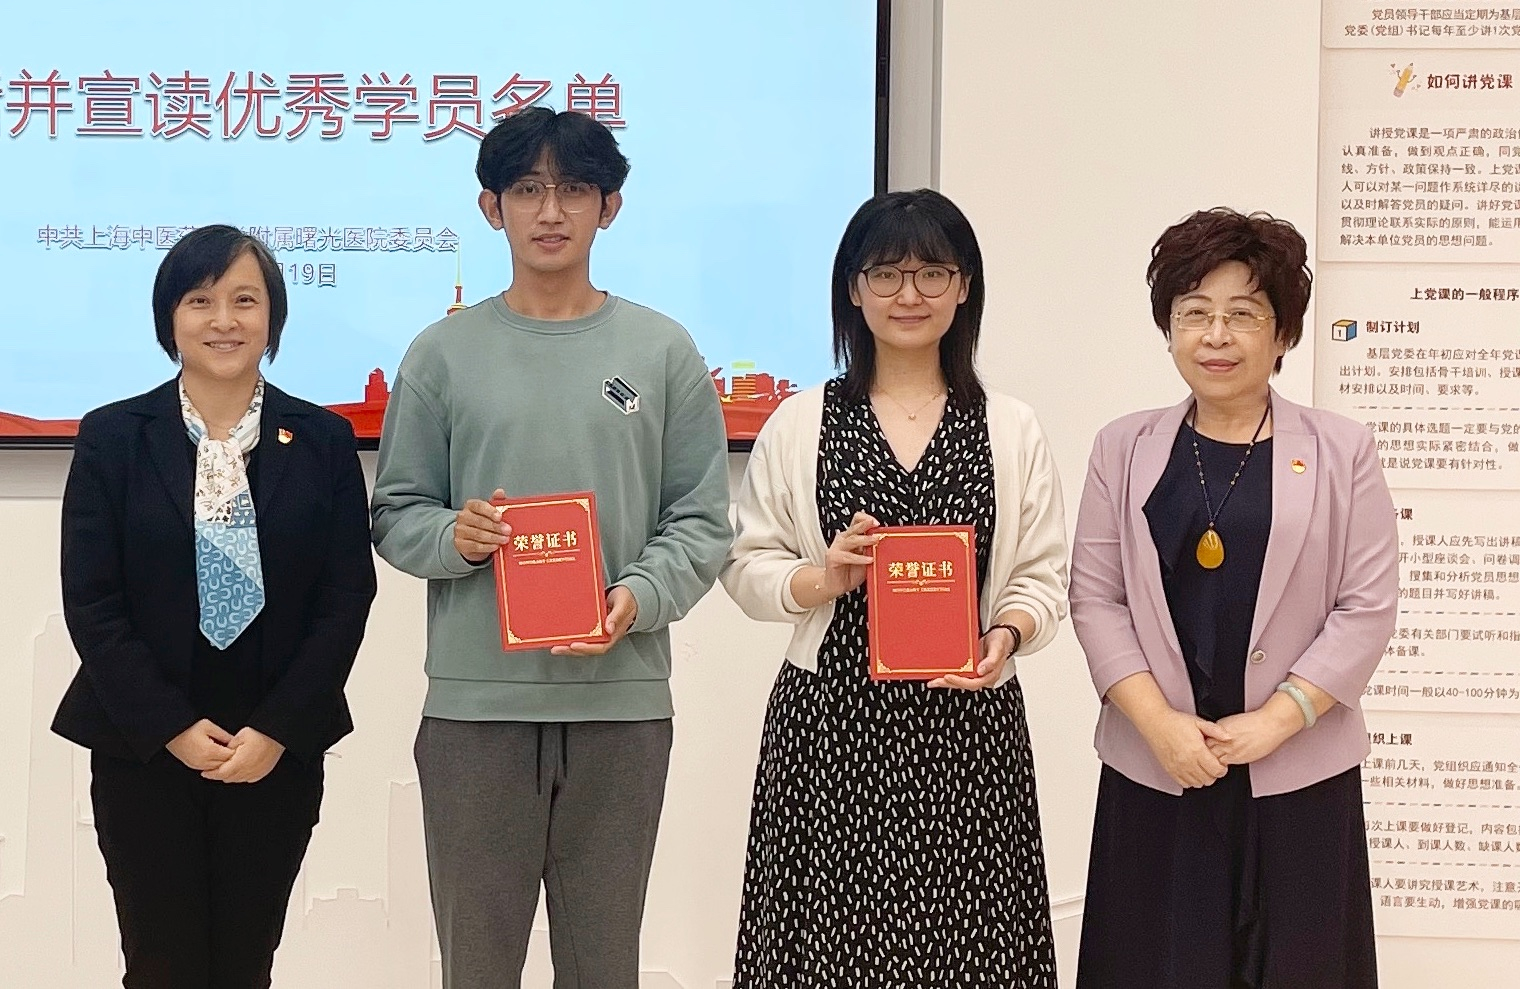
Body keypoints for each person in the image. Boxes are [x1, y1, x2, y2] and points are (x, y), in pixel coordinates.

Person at [370, 107, 731, 988]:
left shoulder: (662, 351)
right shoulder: (442, 353)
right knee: (476, 966)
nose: (550, 210)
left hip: (622, 706)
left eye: (574, 188)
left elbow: (701, 519)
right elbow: (396, 511)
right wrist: (454, 536)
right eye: (527, 189)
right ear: (491, 207)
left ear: (610, 206)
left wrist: (637, 598)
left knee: (604, 966)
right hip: (475, 710)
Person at [720, 189, 1069, 988]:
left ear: (965, 286)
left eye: (932, 272)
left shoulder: (1009, 426)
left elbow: (1041, 575)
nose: (909, 294)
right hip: (832, 727)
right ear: (853, 288)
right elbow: (746, 563)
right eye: (886, 274)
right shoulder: (801, 421)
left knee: (973, 946)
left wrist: (1006, 635)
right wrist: (822, 576)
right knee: (828, 949)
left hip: (969, 729)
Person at [1070, 208, 1397, 988]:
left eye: (1243, 314)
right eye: (1195, 313)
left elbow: (1366, 606)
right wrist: (1160, 725)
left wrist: (1276, 720)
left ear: (1282, 333)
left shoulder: (1342, 449)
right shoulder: (1123, 446)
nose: (1216, 335)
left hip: (1298, 770)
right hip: (1159, 765)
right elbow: (1095, 598)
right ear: (1169, 328)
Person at [52, 224, 377, 988]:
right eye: (200, 301)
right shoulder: (113, 436)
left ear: (273, 316)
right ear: (170, 316)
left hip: (273, 747)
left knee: (244, 964)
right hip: (144, 745)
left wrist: (278, 728)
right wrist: (168, 726)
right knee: (159, 963)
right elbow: (93, 599)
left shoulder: (323, 439)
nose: (223, 320)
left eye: (244, 300)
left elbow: (345, 596)